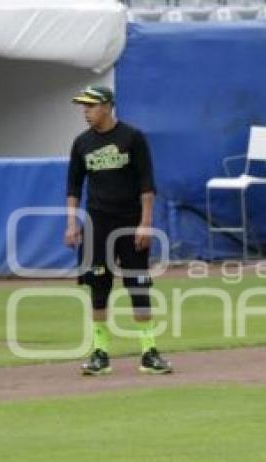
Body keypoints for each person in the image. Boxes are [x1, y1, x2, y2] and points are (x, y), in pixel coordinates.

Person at [64, 85, 172, 376]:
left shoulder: (132, 137)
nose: (85, 111)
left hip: (131, 222)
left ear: (108, 106)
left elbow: (146, 184)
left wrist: (145, 223)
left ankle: (149, 351)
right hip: (98, 223)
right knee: (98, 286)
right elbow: (74, 186)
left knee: (138, 284)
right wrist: (72, 223)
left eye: (91, 106)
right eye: (83, 107)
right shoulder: (81, 143)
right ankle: (100, 352)